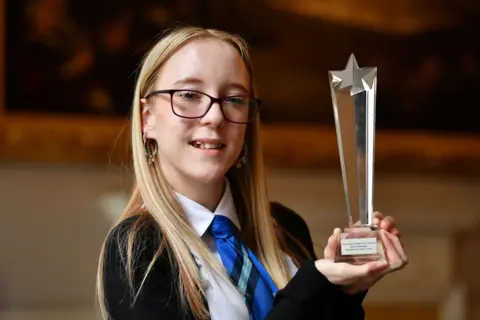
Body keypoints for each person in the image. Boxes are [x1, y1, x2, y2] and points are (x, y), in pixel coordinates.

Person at [96, 26, 408, 320]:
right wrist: (315, 280)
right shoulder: (137, 249)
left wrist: (346, 289)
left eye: (234, 99)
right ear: (147, 118)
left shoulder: (285, 228)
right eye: (190, 95)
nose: (215, 116)